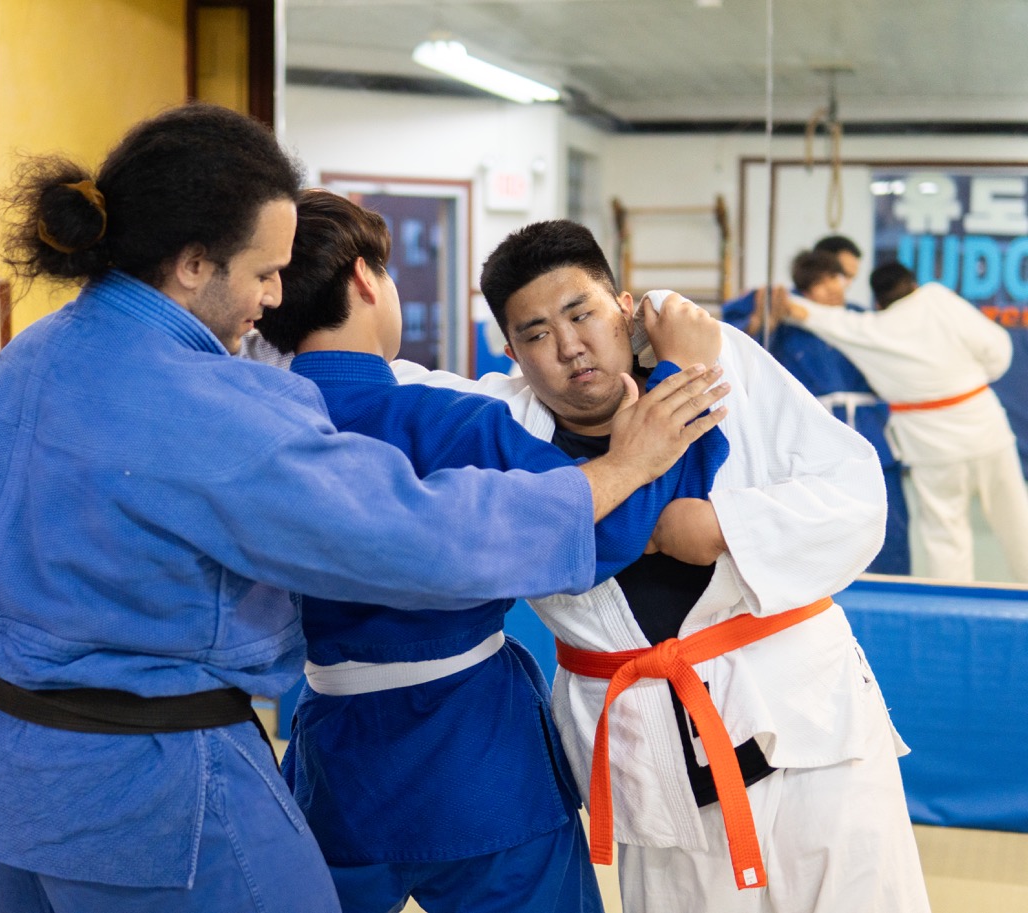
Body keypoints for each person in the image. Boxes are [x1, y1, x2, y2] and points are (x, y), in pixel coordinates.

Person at [0, 105, 727, 913]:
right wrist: (630, 460)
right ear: (190, 262)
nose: (273, 294)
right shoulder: (231, 407)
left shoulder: (27, 359)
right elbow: (416, 534)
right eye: (260, 272)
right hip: (155, 792)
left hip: (7, 777)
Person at [398, 220, 929, 913]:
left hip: (810, 739)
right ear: (510, 352)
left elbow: (857, 496)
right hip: (658, 781)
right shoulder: (501, 428)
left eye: (581, 313)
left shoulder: (716, 365)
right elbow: (377, 384)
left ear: (623, 305)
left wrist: (726, 528)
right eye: (535, 334)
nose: (568, 347)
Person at [252, 190, 729, 913]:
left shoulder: (251, 429)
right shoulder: (451, 424)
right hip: (479, 757)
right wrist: (675, 380)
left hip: (333, 755)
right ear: (364, 280)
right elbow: (611, 527)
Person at [786, 261, 1028, 583]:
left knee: (945, 535)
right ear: (913, 285)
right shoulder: (938, 299)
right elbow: (997, 348)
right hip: (984, 428)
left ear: (878, 302)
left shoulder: (869, 329)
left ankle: (951, 609)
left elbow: (822, 319)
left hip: (931, 447)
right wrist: (973, 377)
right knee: (1017, 522)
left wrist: (783, 300)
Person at [721, 236, 910, 574]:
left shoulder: (856, 318)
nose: (837, 288)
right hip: (812, 431)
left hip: (868, 428)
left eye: (841, 279)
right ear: (806, 286)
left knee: (885, 518)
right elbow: (735, 344)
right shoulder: (780, 310)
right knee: (813, 517)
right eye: (826, 282)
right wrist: (764, 318)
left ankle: (892, 583)